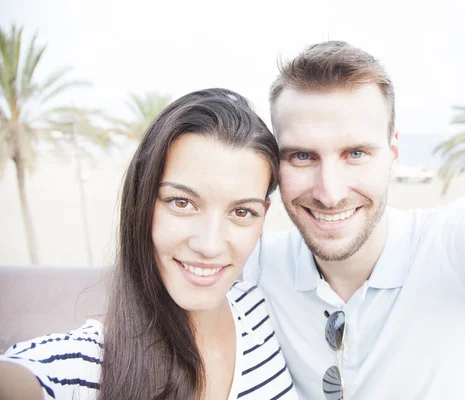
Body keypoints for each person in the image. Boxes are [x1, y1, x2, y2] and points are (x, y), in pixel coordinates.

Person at [243, 41, 465, 400]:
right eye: (303, 156)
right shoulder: (252, 266)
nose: (330, 193)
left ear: (393, 152)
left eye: (356, 153)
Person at [0, 89, 298, 400]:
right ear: (143, 202)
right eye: (181, 202)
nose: (209, 245)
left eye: (241, 212)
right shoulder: (87, 367)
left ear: (262, 216)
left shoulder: (259, 310)